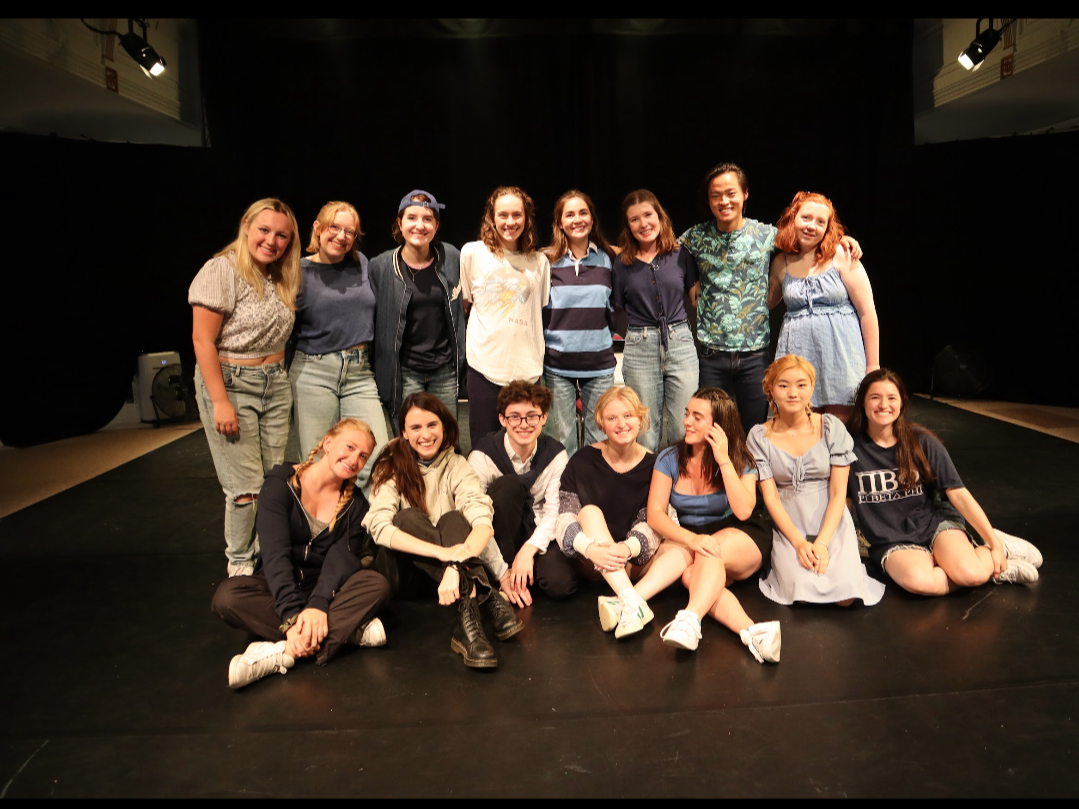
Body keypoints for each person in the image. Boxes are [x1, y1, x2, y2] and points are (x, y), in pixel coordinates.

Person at [679, 164, 862, 436]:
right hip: (711, 354)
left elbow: (806, 238)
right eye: (715, 195)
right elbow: (659, 247)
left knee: (755, 432)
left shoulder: (766, 235)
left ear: (745, 194)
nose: (724, 201)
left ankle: (751, 479)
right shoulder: (696, 236)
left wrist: (841, 239)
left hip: (754, 356)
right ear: (708, 199)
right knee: (714, 430)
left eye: (731, 193)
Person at [210, 418, 392, 689]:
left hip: (324, 591)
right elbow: (274, 555)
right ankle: (345, 633)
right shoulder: (279, 485)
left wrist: (318, 603)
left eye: (362, 455)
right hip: (277, 588)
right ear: (327, 443)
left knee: (376, 585)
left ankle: (283, 652)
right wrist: (292, 617)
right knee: (227, 597)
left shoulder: (356, 505)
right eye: (350, 447)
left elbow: (342, 558)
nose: (354, 459)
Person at [362, 392, 523, 669]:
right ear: (404, 432)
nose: (425, 434)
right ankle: (483, 592)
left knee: (455, 518)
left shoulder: (456, 465)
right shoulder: (390, 466)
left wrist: (454, 564)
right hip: (406, 574)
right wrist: (447, 557)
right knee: (408, 518)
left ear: (444, 427)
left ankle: (468, 628)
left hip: (450, 578)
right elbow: (378, 526)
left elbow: (482, 519)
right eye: (416, 427)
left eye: (432, 425)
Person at [847, 369, 1042, 594]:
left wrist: (993, 542)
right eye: (875, 397)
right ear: (862, 403)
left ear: (902, 403)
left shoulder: (922, 441)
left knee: (970, 574)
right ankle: (986, 571)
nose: (884, 405)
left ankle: (998, 553)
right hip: (890, 538)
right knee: (921, 584)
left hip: (933, 524)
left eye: (891, 398)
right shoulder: (850, 450)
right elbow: (845, 503)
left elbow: (958, 493)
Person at [190, 198, 302, 577]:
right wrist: (219, 401)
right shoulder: (221, 270)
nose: (272, 240)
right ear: (246, 226)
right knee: (244, 489)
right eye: (265, 230)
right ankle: (240, 564)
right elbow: (202, 340)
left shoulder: (280, 274)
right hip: (232, 383)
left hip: (274, 384)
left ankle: (266, 558)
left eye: (282, 235)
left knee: (272, 484)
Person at [633, 387, 781, 662]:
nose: (686, 421)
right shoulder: (669, 458)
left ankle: (683, 616)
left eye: (697, 416)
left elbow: (744, 509)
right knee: (692, 578)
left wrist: (723, 458)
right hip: (695, 538)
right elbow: (655, 514)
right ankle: (753, 632)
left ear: (718, 425)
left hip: (743, 532)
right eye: (687, 413)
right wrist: (691, 539)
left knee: (707, 553)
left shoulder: (740, 458)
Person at [747, 355, 885, 606]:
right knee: (802, 594)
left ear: (812, 388)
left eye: (801, 385)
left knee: (845, 596)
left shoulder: (831, 427)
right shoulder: (759, 436)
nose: (793, 393)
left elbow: (838, 494)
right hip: (789, 523)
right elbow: (771, 498)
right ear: (771, 390)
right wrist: (799, 543)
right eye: (783, 385)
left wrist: (821, 542)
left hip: (830, 520)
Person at [289, 201, 389, 492]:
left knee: (377, 457)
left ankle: (374, 532)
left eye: (350, 231)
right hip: (313, 373)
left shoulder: (362, 265)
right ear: (318, 229)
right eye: (335, 227)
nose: (342, 236)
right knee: (319, 460)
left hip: (358, 373)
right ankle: (322, 532)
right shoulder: (298, 271)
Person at [555, 385, 662, 639]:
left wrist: (626, 549)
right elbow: (564, 518)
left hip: (634, 559)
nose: (621, 424)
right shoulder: (581, 460)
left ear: (641, 419)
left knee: (681, 549)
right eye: (612, 418)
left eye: (628, 416)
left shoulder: (656, 465)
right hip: (592, 561)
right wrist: (591, 550)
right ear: (601, 423)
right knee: (589, 512)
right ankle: (630, 599)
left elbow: (654, 522)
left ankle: (627, 603)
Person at [770, 191, 879, 421]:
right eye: (806, 218)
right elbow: (764, 304)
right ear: (793, 218)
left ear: (828, 227)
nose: (812, 226)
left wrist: (873, 365)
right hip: (799, 356)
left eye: (821, 222)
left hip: (840, 358)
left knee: (839, 436)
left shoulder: (841, 254)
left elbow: (867, 311)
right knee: (803, 433)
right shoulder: (781, 262)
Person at [460, 186, 551, 445]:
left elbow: (537, 309)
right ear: (492, 217)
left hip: (526, 370)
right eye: (503, 215)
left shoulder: (539, 262)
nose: (510, 222)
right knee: (484, 446)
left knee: (524, 446)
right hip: (484, 367)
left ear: (526, 218)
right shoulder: (472, 253)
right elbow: (467, 303)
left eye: (516, 215)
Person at [468, 380, 573, 605]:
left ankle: (522, 571)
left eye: (532, 415)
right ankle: (505, 577)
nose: (523, 424)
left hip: (536, 530)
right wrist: (501, 570)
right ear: (502, 419)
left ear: (544, 418)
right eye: (514, 416)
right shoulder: (483, 455)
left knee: (560, 583)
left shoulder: (556, 454)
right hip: (497, 534)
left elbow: (554, 511)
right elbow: (475, 517)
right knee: (509, 485)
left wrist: (529, 550)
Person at [369, 190, 465, 427]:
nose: (419, 225)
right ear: (400, 224)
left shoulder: (451, 257)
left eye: (427, 219)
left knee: (446, 435)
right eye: (411, 218)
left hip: (444, 370)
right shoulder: (380, 266)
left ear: (436, 225)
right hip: (405, 372)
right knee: (409, 440)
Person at [612, 190, 699, 452]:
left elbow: (696, 298)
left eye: (648, 215)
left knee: (682, 428)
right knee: (645, 429)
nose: (643, 224)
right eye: (634, 219)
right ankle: (648, 490)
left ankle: (679, 489)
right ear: (628, 226)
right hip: (641, 344)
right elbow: (617, 309)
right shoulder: (622, 263)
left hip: (680, 342)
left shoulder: (680, 255)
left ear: (659, 216)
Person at [541, 190, 618, 455]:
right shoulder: (545, 261)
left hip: (598, 365)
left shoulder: (608, 259)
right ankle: (567, 495)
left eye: (583, 212)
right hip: (557, 365)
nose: (577, 219)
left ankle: (593, 493)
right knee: (561, 439)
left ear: (592, 219)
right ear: (560, 222)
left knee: (599, 438)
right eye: (570, 214)